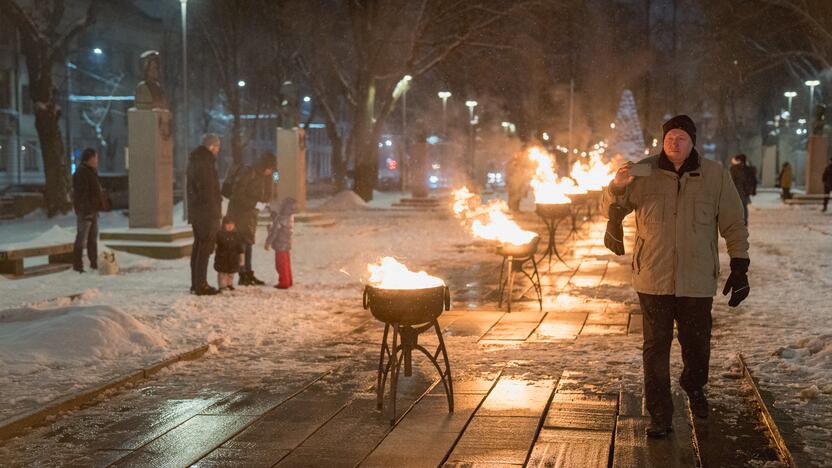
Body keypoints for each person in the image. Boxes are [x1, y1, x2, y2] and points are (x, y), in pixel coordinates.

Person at [603, 115, 750, 439]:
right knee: (655, 348)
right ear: (663, 140)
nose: (675, 142)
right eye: (670, 137)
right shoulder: (643, 170)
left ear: (692, 141)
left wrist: (740, 265)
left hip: (696, 281)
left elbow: (733, 223)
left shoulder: (714, 175)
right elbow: (611, 205)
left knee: (697, 344)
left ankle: (693, 383)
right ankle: (660, 414)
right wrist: (616, 187)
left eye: (681, 137)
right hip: (653, 278)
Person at [226, 153, 276, 286]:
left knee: (248, 243)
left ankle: (248, 273)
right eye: (270, 169)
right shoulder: (249, 172)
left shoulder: (265, 176)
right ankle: (243, 275)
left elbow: (268, 191)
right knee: (243, 245)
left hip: (251, 214)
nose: (271, 172)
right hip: (240, 213)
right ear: (265, 166)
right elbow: (237, 195)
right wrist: (254, 204)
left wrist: (266, 199)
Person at [187, 133, 223, 296]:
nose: (219, 149)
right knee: (204, 248)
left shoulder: (196, 161)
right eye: (217, 146)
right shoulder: (206, 163)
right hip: (206, 213)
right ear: (211, 146)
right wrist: (215, 212)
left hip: (198, 212)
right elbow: (208, 191)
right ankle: (201, 284)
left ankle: (196, 283)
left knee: (198, 246)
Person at [72, 148, 105, 273]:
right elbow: (82, 194)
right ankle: (77, 265)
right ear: (89, 158)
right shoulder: (82, 172)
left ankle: (93, 263)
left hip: (92, 210)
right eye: (95, 158)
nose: (97, 160)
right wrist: (86, 209)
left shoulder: (91, 171)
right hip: (86, 211)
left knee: (92, 239)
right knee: (82, 238)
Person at [265, 197, 298, 289]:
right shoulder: (290, 217)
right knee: (286, 264)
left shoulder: (281, 219)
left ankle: (284, 282)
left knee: (280, 265)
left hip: (280, 245)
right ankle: (288, 280)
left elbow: (275, 232)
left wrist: (268, 242)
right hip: (286, 244)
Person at [214, 216, 244, 291]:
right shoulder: (220, 234)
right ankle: (222, 285)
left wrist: (242, 258)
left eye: (232, 224)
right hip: (222, 257)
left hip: (233, 257)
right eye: (228, 224)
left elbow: (240, 247)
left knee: (231, 273)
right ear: (224, 225)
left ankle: (229, 284)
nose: (230, 226)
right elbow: (216, 244)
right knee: (223, 273)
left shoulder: (236, 235)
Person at [729, 154, 757, 225]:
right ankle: (744, 221)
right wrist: (752, 190)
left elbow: (731, 180)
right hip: (745, 191)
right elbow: (753, 180)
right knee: (744, 206)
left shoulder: (734, 169)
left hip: (737, 190)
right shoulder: (748, 169)